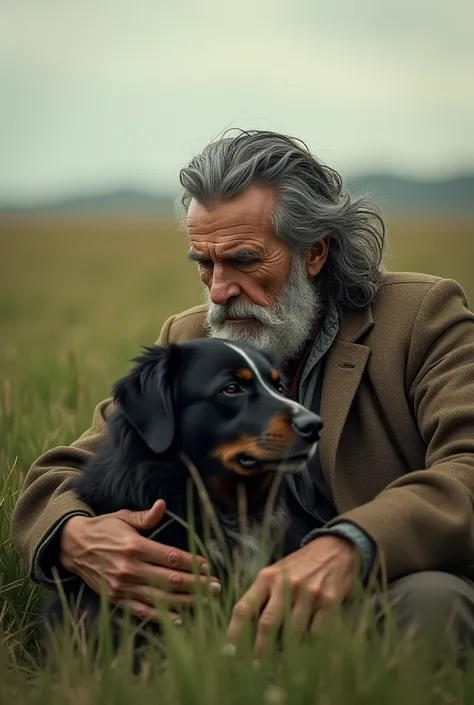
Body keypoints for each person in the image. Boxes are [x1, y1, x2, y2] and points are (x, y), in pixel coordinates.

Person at [10, 130, 474, 659]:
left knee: (434, 604)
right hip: (225, 605)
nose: (219, 291)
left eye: (244, 260)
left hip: (376, 585)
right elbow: (63, 471)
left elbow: (467, 464)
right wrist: (74, 536)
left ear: (314, 252)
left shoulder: (421, 319)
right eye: (205, 263)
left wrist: (354, 544)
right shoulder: (189, 341)